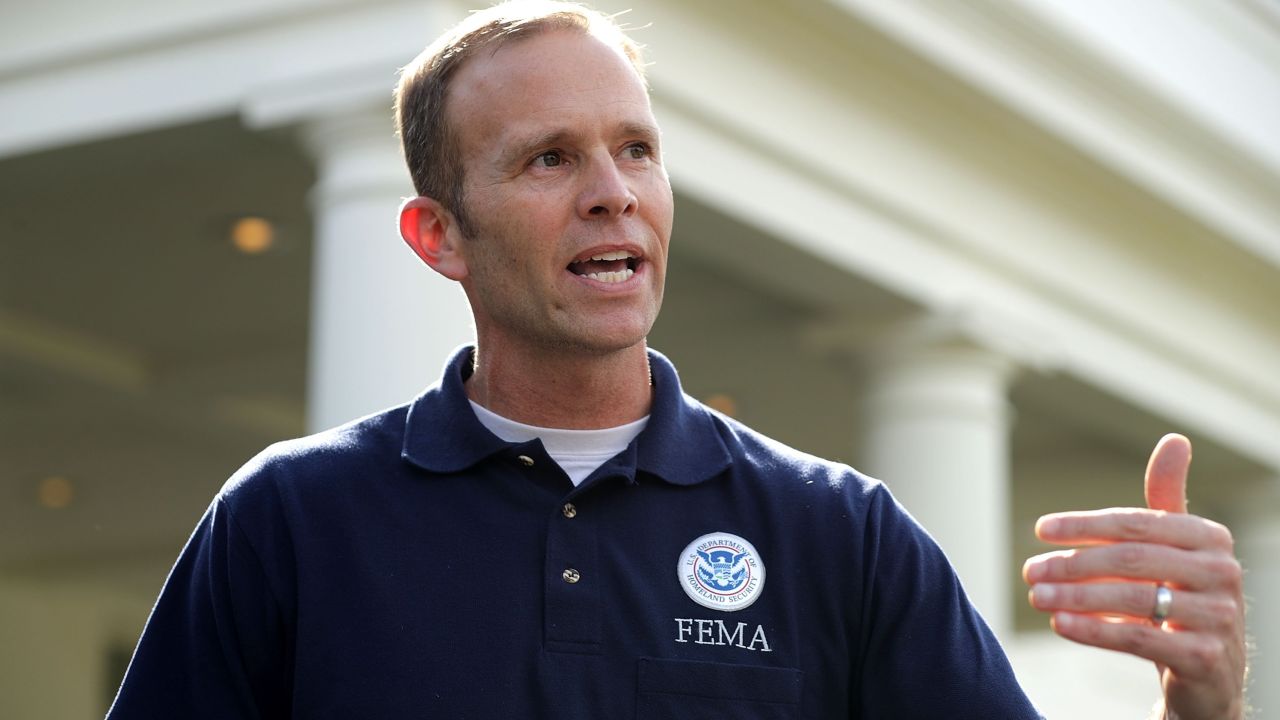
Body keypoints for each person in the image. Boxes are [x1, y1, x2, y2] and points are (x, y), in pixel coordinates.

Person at [106, 1, 1247, 718]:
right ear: (437, 235)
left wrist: (1199, 707)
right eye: (549, 158)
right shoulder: (291, 519)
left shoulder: (839, 534)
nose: (612, 190)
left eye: (635, 149)